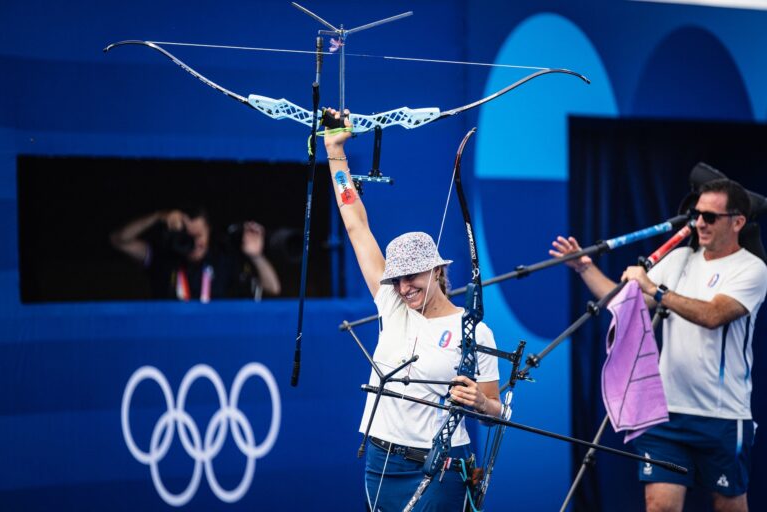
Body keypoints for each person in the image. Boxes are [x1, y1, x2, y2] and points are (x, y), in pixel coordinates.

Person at [550, 179, 767, 512]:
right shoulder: (679, 259)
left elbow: (713, 315)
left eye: (710, 217)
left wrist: (656, 290)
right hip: (665, 412)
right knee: (659, 506)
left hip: (723, 414)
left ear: (737, 222)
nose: (699, 223)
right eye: (696, 214)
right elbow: (622, 300)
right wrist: (584, 267)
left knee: (729, 507)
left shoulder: (752, 269)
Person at [322, 109, 501, 511]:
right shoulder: (392, 302)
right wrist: (335, 151)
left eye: (414, 276)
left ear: (437, 270)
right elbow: (355, 225)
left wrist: (480, 403)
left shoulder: (474, 331)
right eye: (398, 279)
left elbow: (495, 413)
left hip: (441, 468)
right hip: (381, 462)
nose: (404, 287)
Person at [110, 208, 281, 300]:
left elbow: (273, 288)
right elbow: (118, 240)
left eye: (199, 235)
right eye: (187, 236)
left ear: (209, 231)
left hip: (211, 340)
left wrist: (256, 256)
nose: (193, 242)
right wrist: (157, 216)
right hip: (169, 339)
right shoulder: (163, 256)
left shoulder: (223, 259)